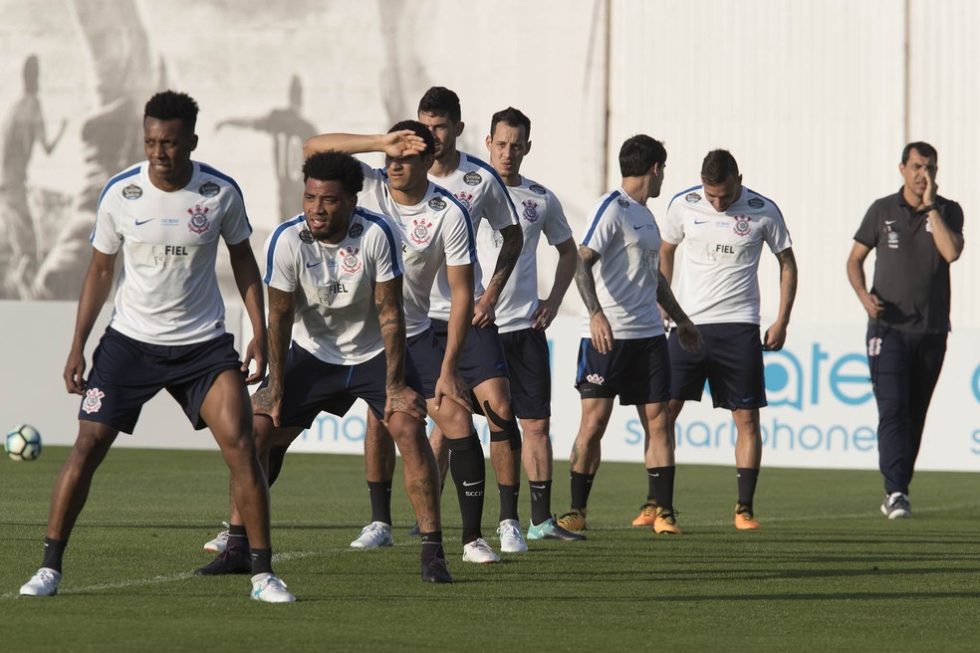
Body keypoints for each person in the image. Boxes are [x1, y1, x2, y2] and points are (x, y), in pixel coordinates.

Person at [18, 91, 293, 602]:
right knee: (86, 447)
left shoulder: (219, 193)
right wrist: (77, 345)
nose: (158, 152)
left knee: (241, 446)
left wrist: (259, 331)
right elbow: (100, 270)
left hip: (203, 348)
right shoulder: (121, 194)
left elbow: (243, 263)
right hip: (130, 345)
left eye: (168, 142)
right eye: (150, 142)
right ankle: (49, 567)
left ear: (191, 139)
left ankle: (262, 575)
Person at [196, 151, 451, 583]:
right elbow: (278, 316)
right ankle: (237, 544)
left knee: (407, 429)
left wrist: (394, 387)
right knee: (258, 430)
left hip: (372, 355)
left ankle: (433, 553)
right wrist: (275, 386)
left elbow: (391, 314)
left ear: (352, 200)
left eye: (329, 200)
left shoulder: (376, 233)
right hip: (314, 355)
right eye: (310, 197)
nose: (316, 207)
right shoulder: (287, 239)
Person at [302, 122, 502, 563]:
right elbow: (313, 148)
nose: (394, 164)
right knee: (268, 426)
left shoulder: (448, 212)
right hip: (343, 336)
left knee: (457, 422)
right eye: (392, 155)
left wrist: (449, 368)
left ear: (429, 162)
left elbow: (462, 293)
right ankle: (376, 522)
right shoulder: (367, 186)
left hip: (409, 337)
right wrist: (379, 142)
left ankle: (472, 539)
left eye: (406, 156)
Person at [358, 87, 528, 557]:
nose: (429, 136)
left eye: (438, 127)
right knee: (381, 418)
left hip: (462, 315)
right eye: (423, 126)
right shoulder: (389, 176)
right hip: (404, 321)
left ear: (457, 128)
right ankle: (380, 520)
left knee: (498, 408)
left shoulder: (479, 179)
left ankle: (508, 521)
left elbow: (512, 236)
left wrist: (491, 293)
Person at [558, 135, 701, 536]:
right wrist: (596, 314)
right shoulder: (612, 207)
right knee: (594, 423)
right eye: (663, 171)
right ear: (655, 168)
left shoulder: (646, 215)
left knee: (659, 422)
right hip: (608, 338)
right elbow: (582, 263)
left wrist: (682, 320)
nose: (663, 179)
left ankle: (665, 511)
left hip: (650, 337)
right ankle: (576, 511)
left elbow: (651, 277)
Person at [649, 149, 797, 531]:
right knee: (662, 414)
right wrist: (665, 305)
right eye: (711, 195)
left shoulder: (764, 210)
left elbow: (787, 262)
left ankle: (744, 508)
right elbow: (666, 249)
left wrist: (782, 319)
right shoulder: (683, 205)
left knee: (746, 418)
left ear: (739, 179)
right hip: (687, 327)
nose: (717, 203)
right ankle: (657, 503)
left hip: (739, 327)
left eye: (725, 195)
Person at [477, 106, 583, 541]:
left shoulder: (540, 198)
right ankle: (422, 516)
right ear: (488, 143)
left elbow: (569, 251)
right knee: (449, 425)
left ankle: (539, 521)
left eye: (516, 146)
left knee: (535, 425)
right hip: (477, 331)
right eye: (501, 144)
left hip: (525, 330)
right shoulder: (469, 192)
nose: (507, 153)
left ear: (527, 148)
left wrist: (554, 302)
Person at [846, 141, 964, 519]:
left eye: (929, 167)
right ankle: (895, 490)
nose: (922, 174)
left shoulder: (947, 211)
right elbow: (854, 260)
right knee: (893, 409)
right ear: (902, 168)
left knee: (915, 413)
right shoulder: (882, 210)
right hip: (888, 329)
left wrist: (931, 206)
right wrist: (864, 295)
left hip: (931, 331)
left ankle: (899, 488)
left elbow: (952, 253)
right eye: (916, 166)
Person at [0, 54, 67, 297]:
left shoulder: (14, 108)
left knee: (23, 251)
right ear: (36, 77)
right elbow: (47, 148)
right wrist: (62, 129)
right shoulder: (33, 105)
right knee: (31, 253)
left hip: (7, 185)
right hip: (15, 186)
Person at [215, 75, 317, 221]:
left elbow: (250, 122)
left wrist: (228, 121)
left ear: (290, 95)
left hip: (286, 189)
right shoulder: (308, 128)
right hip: (300, 190)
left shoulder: (278, 119)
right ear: (302, 97)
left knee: (288, 231)